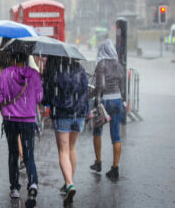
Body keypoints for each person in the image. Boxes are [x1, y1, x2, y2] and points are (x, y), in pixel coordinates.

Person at [0, 52, 43, 207]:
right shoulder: (34, 75)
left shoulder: (5, 73)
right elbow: (40, 98)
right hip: (28, 120)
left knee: (13, 153)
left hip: (10, 120)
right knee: (28, 156)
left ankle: (15, 188)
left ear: (14, 59)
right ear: (27, 59)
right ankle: (33, 183)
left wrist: (6, 101)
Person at [42, 56, 89, 205]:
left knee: (63, 150)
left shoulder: (54, 70)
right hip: (79, 114)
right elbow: (85, 89)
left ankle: (69, 184)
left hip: (62, 113)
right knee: (72, 148)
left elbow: (47, 94)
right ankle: (69, 182)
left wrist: (46, 103)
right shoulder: (79, 69)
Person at [89, 39, 125, 179]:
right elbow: (122, 87)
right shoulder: (119, 65)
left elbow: (101, 87)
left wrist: (92, 95)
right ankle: (115, 168)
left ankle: (98, 163)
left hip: (104, 102)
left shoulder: (101, 64)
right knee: (116, 135)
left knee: (97, 132)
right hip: (117, 101)